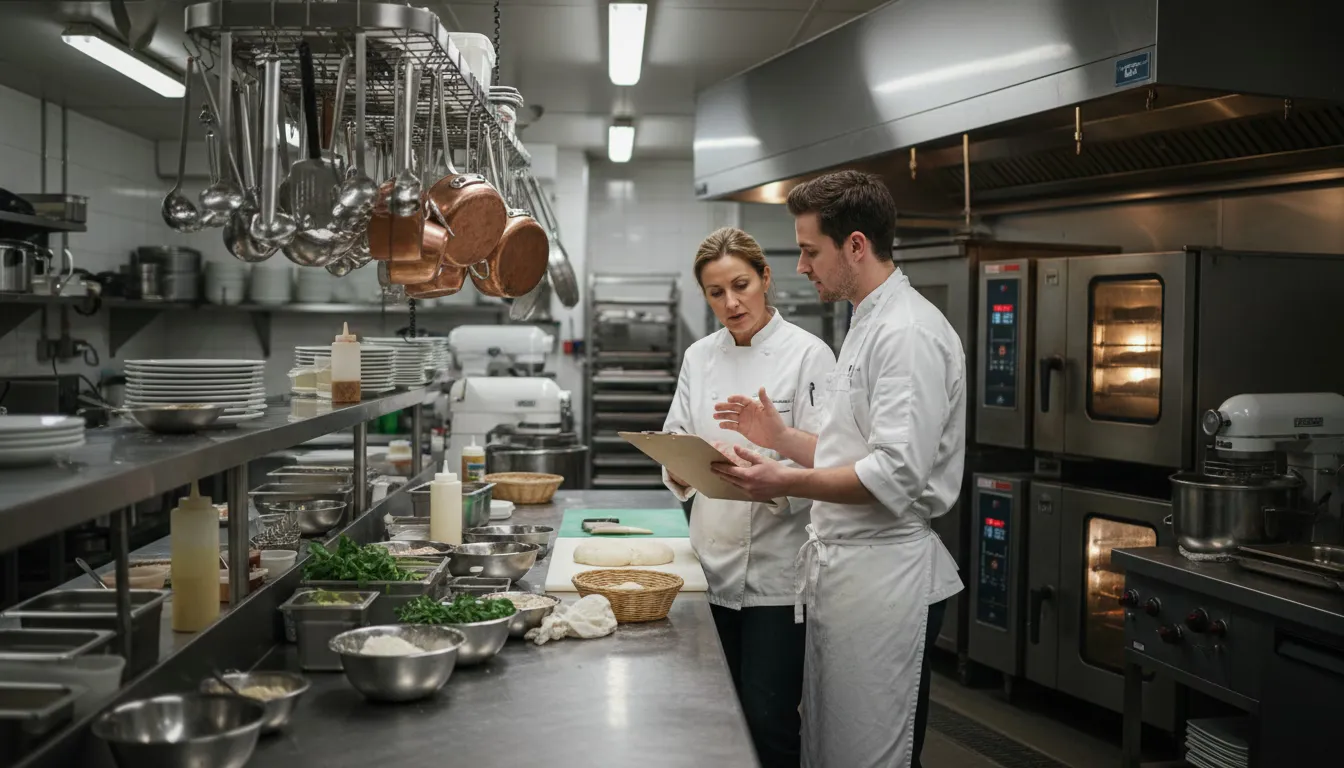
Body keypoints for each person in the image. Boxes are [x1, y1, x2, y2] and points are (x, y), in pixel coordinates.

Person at [710, 171, 964, 768]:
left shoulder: (905, 333)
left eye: (808, 250)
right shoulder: (867, 319)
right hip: (848, 576)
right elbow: (854, 449)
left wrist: (784, 479)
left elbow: (895, 477)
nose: (800, 266)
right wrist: (782, 440)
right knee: (831, 750)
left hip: (886, 581)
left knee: (869, 756)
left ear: (854, 245)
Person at [662, 227, 835, 768]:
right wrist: (691, 464)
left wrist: (772, 474)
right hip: (708, 566)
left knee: (769, 719)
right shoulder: (698, 356)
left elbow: (831, 463)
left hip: (778, 577)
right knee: (710, 715)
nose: (731, 302)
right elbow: (675, 440)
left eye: (741, 285)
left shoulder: (810, 355)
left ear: (765, 278)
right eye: (716, 292)